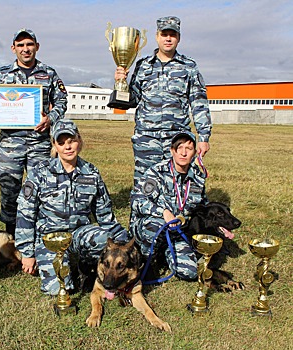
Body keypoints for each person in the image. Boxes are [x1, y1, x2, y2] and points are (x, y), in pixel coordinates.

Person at [15, 119, 128, 295]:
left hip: (79, 234)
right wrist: (27, 253)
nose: (67, 147)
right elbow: (25, 213)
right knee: (58, 290)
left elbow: (105, 215)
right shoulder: (40, 172)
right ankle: (67, 269)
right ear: (54, 145)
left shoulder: (91, 173)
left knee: (106, 241)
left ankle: (85, 264)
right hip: (49, 238)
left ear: (79, 141)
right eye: (61, 143)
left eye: (71, 141)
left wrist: (124, 242)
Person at [0, 28, 67, 236]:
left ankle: (39, 232)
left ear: (37, 47)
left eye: (29, 44)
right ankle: (11, 236)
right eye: (20, 45)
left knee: (40, 186)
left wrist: (50, 118)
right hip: (11, 143)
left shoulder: (49, 73)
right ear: (13, 48)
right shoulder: (3, 74)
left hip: (39, 142)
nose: (25, 49)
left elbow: (62, 100)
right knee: (9, 189)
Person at [114, 16, 212, 189]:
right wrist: (120, 84)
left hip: (176, 139)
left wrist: (203, 137)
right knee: (145, 184)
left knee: (175, 185)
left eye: (172, 35)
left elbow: (199, 102)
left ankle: (174, 216)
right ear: (157, 36)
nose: (168, 38)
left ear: (178, 38)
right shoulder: (143, 66)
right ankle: (142, 216)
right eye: (164, 34)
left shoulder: (188, 67)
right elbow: (133, 100)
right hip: (147, 137)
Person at [130, 131, 207, 280]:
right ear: (172, 151)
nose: (183, 153)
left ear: (194, 152)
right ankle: (147, 260)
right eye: (179, 148)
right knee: (155, 224)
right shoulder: (156, 172)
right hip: (150, 227)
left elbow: (202, 205)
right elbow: (137, 201)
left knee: (190, 272)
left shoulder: (198, 176)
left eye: (188, 149)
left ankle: (165, 254)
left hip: (177, 233)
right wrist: (163, 212)